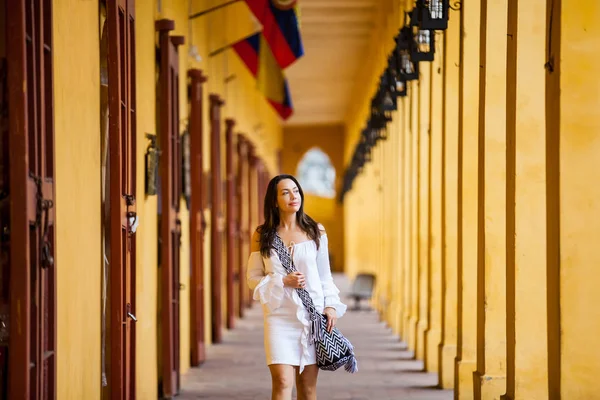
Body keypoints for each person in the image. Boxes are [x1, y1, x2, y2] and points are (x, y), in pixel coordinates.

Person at [247, 174, 347, 400]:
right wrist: (282, 281)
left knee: (307, 386)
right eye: (285, 192)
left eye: (295, 190)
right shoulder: (262, 235)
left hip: (311, 318)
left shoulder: (315, 231)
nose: (293, 196)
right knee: (282, 381)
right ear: (274, 201)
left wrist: (330, 306)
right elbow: (252, 277)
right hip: (278, 316)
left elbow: (324, 275)